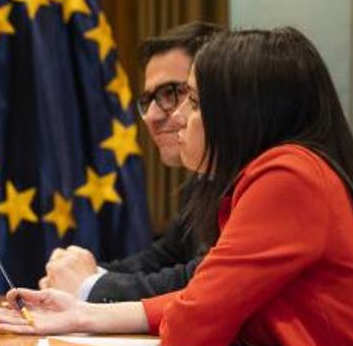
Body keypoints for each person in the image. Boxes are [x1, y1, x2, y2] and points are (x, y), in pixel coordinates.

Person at [0, 27, 353, 346]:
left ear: (244, 115)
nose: (178, 118)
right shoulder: (294, 171)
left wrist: (109, 307)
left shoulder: (289, 177)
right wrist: (83, 316)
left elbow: (193, 328)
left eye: (195, 102)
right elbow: (206, 298)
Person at [40, 21, 222, 302]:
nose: (151, 116)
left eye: (170, 93)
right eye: (148, 99)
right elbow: (163, 258)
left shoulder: (262, 179)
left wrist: (89, 286)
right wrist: (76, 275)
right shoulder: (203, 180)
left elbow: (201, 281)